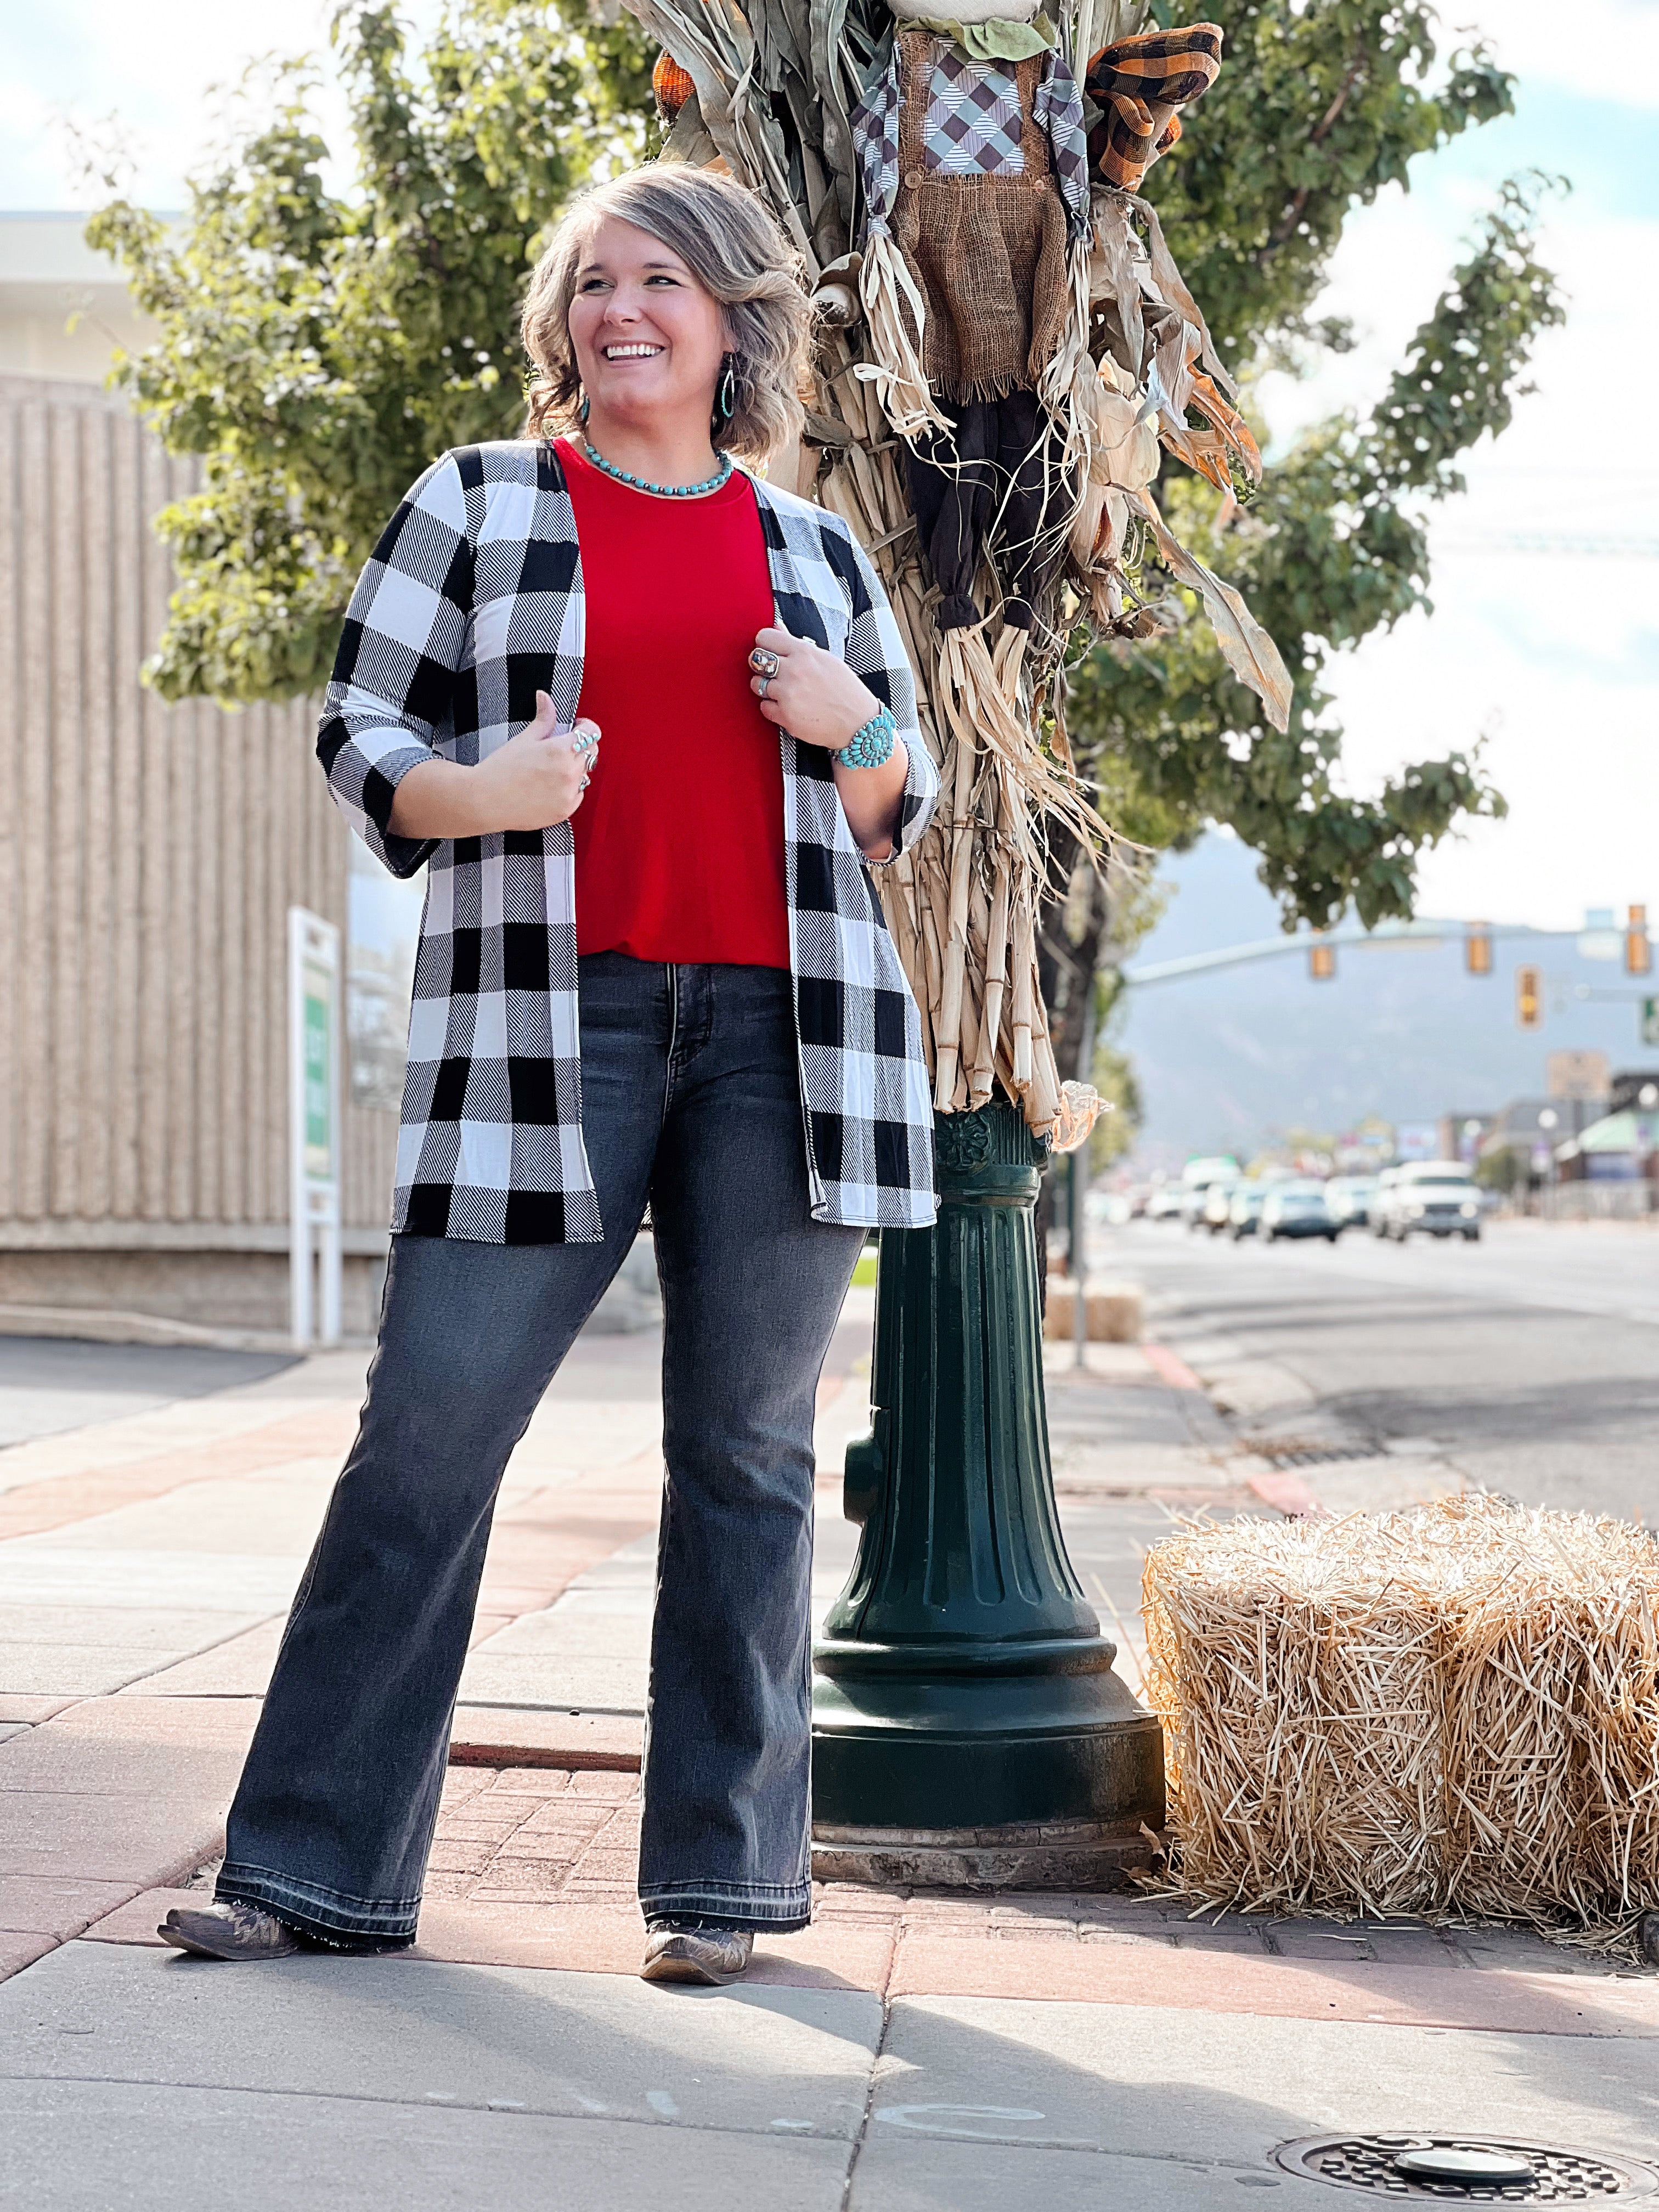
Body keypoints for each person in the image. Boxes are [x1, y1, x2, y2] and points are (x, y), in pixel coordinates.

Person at [159, 165, 939, 1987]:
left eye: (662, 281)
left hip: (787, 1043)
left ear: (733, 319)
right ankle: (313, 1872)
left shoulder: (815, 553)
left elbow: (909, 807)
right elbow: (359, 721)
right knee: (429, 1433)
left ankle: (725, 1890)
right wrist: (472, 795)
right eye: (595, 283)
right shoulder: (481, 500)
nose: (623, 312)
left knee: (746, 1458)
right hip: (546, 1020)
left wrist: (863, 729)